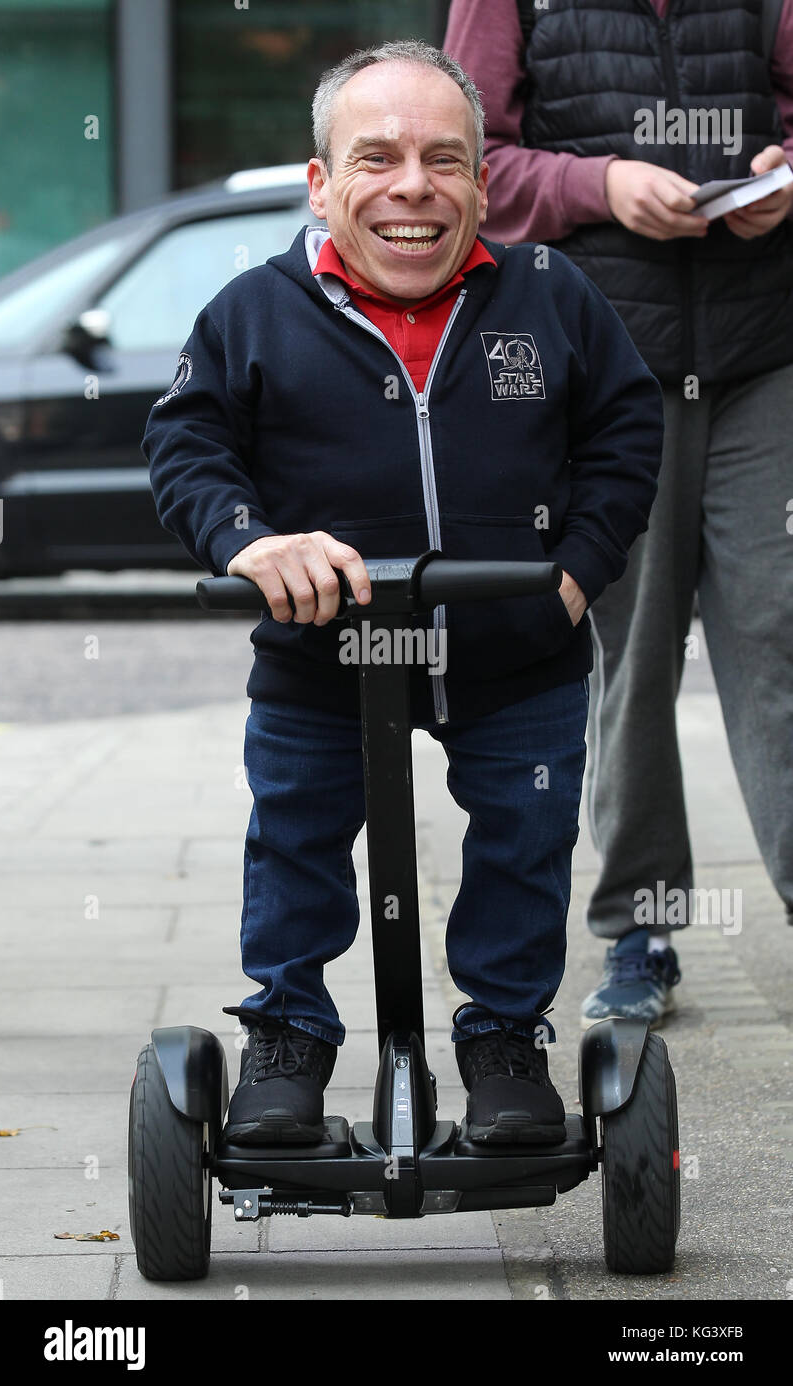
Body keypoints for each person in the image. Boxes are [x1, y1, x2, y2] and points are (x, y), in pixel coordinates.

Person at [142, 40, 663, 1148]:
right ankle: (287, 1034)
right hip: (319, 649)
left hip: (516, 645)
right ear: (321, 183)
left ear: (483, 179)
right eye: (374, 158)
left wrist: (574, 574)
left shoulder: (549, 294)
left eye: (445, 158)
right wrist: (247, 541)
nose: (413, 187)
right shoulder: (253, 311)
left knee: (524, 838)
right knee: (295, 837)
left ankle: (503, 1039)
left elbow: (625, 429)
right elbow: (187, 446)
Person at [445, 0, 793, 1028]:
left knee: (777, 631)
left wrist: (778, 177)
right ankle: (640, 923)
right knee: (632, 654)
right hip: (610, 366)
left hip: (763, 353)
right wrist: (601, 184)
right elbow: (476, 162)